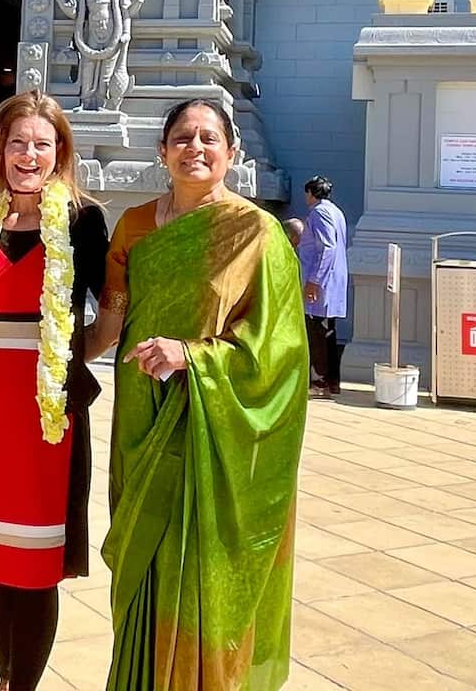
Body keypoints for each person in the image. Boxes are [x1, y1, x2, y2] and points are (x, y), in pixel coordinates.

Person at [87, 98, 307, 691]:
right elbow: (111, 323)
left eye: (209, 138)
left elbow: (282, 354)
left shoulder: (257, 233)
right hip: (143, 418)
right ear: (162, 152)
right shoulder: (133, 225)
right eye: (182, 137)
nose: (196, 148)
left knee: (203, 567)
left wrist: (193, 356)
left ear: (232, 153)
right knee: (147, 560)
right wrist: (47, 356)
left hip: (215, 429)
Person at [0, 92, 108, 691]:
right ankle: (5, 674)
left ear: (60, 152)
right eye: (17, 143)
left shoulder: (83, 220)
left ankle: (23, 686)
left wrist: (68, 356)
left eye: (42, 144)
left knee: (35, 562)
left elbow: (112, 307)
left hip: (43, 414)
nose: (29, 155)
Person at [301, 175, 349, 397]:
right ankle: (331, 382)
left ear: (311, 193)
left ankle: (319, 382)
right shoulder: (336, 212)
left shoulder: (319, 213)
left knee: (317, 332)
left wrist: (314, 281)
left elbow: (326, 248)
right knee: (328, 332)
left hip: (321, 282)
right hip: (333, 280)